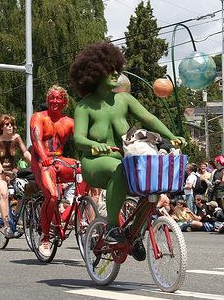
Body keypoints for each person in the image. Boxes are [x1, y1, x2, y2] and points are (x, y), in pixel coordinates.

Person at [70, 42, 185, 252]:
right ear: (95, 73)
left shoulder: (124, 99)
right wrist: (96, 144)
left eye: (116, 68)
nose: (115, 73)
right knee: (120, 170)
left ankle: (135, 232)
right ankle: (112, 227)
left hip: (123, 161)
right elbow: (78, 139)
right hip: (94, 163)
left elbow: (149, 119)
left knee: (153, 185)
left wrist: (172, 136)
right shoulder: (84, 106)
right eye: (108, 69)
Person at [30, 85, 85, 256]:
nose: (54, 101)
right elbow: (36, 139)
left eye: (58, 98)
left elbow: (82, 140)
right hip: (41, 160)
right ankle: (45, 238)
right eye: (51, 98)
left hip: (59, 159)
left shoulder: (69, 122)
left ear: (65, 102)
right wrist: (43, 156)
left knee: (86, 172)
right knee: (52, 196)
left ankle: (68, 215)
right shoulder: (39, 117)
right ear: (47, 100)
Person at [0, 114, 30, 239]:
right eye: (7, 124)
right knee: (4, 194)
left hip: (12, 169)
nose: (10, 127)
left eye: (12, 124)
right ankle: (6, 225)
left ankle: (17, 215)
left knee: (24, 190)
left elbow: (26, 153)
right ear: (1, 127)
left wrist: (36, 165)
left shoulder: (16, 138)